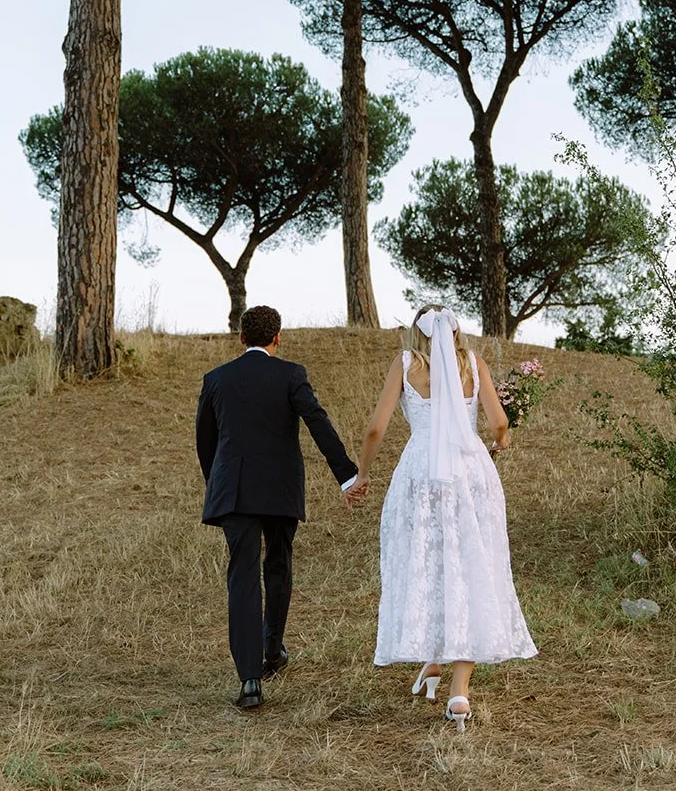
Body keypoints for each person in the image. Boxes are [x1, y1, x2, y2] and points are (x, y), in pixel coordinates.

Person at [348, 304, 537, 731]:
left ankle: (433, 664)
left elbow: (376, 428)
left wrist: (363, 473)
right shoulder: (474, 363)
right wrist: (501, 440)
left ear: (417, 333)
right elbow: (498, 420)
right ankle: (458, 691)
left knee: (430, 562)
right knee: (470, 565)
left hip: (420, 474)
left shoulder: (404, 364)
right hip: (470, 472)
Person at [196, 304, 368, 709]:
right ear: (277, 338)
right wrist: (346, 475)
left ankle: (250, 680)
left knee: (242, 579)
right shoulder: (291, 374)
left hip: (234, 492)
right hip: (280, 491)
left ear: (240, 338)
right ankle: (272, 651)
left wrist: (217, 485)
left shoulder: (217, 379)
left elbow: (206, 441)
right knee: (278, 565)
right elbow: (317, 421)